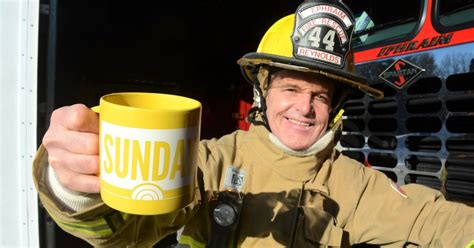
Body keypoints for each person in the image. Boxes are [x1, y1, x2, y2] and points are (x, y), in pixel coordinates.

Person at [34, 0, 474, 247]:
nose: (304, 109)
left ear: (335, 106)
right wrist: (72, 185)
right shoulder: (210, 162)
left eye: (320, 95)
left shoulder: (353, 184)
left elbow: (433, 222)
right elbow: (121, 233)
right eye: (291, 90)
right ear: (262, 94)